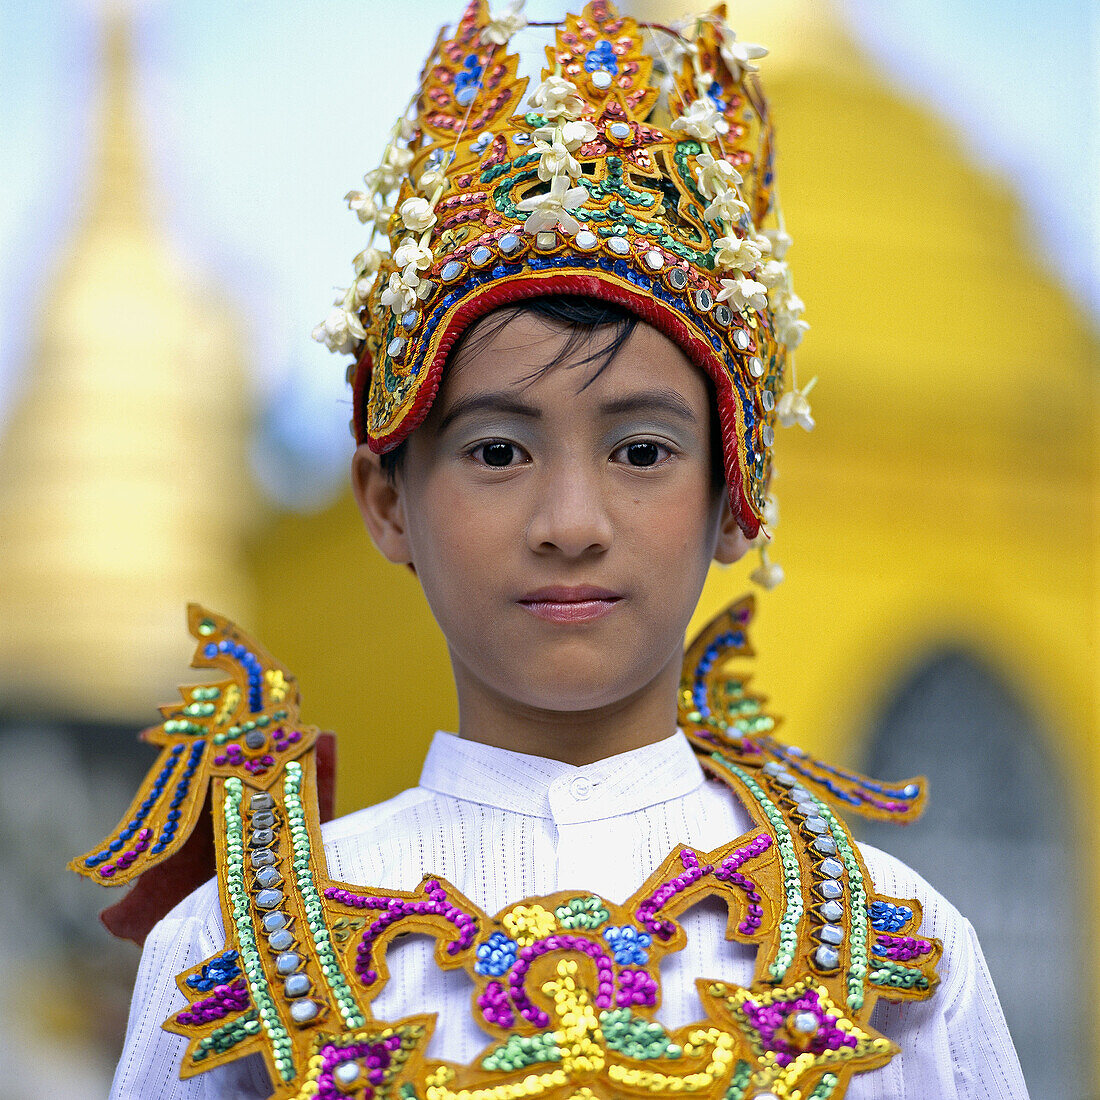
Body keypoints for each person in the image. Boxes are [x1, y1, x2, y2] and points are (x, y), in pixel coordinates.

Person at [86, 3, 1030, 1097]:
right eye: (496, 450)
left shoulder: (899, 947)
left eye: (640, 450)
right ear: (386, 501)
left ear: (739, 495)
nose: (570, 521)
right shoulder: (229, 951)